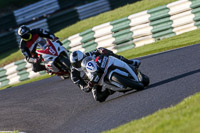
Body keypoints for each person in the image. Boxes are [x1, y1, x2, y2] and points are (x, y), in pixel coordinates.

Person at [70, 48, 141, 102]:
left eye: (81, 61)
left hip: (100, 67)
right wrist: (89, 86)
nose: (79, 64)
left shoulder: (88, 55)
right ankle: (111, 89)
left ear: (83, 56)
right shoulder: (74, 75)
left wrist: (101, 51)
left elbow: (97, 51)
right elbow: (83, 87)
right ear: (73, 64)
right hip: (93, 80)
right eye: (77, 63)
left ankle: (129, 62)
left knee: (106, 52)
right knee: (98, 97)